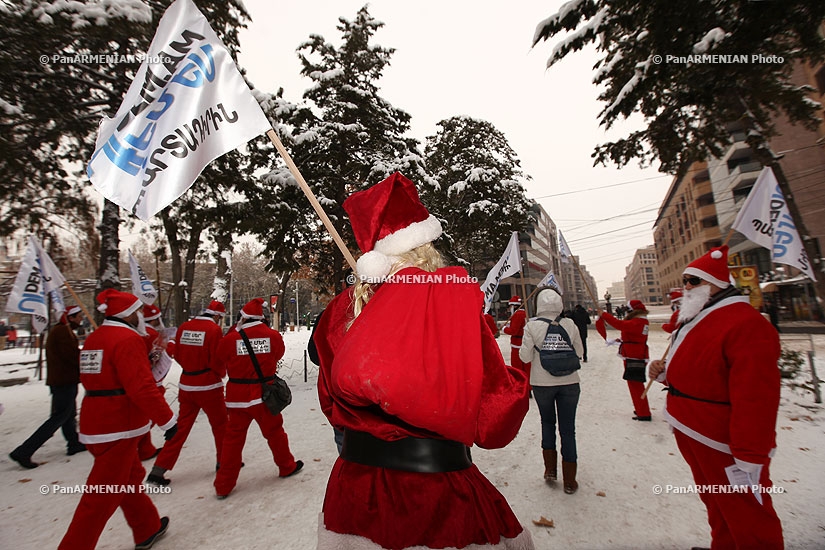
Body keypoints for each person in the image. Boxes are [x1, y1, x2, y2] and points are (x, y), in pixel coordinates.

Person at [313, 172, 534, 549]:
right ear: (426, 244)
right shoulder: (457, 309)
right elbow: (494, 424)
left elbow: (330, 400)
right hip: (437, 494)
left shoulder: (339, 312)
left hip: (356, 489)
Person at [648, 245, 783, 549]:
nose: (686, 287)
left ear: (715, 283)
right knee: (717, 503)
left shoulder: (745, 322)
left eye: (693, 281)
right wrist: (665, 373)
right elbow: (704, 370)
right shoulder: (700, 316)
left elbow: (757, 396)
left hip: (723, 440)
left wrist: (750, 453)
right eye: (686, 281)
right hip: (694, 429)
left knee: (750, 518)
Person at [58, 290, 176, 550]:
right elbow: (141, 387)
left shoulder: (95, 338)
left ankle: (147, 526)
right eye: (138, 312)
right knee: (99, 498)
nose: (141, 316)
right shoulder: (126, 339)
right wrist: (168, 422)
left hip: (95, 420)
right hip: (119, 425)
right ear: (128, 313)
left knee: (130, 477)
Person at [214, 298, 302, 499]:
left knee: (232, 441)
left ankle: (223, 484)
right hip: (264, 395)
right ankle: (286, 466)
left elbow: (221, 356)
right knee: (275, 433)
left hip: (236, 397)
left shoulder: (230, 339)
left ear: (242, 318)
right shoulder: (272, 336)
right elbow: (278, 355)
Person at [148, 300, 228, 486]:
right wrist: (220, 374)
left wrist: (190, 368)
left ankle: (159, 468)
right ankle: (224, 462)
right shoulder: (213, 331)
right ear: (217, 316)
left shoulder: (185, 327)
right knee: (221, 426)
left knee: (181, 428)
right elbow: (217, 359)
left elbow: (177, 352)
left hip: (186, 384)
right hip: (209, 386)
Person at [520, 287, 583, 494]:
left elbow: (525, 358)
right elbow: (580, 352)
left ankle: (550, 470)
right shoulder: (570, 324)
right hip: (570, 382)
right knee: (568, 429)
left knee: (547, 423)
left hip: (542, 383)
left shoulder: (532, 326)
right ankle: (570, 480)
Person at [9, 306, 86, 469]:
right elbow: (71, 356)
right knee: (59, 417)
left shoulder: (64, 331)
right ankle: (25, 451)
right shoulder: (62, 332)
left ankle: (74, 443)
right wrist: (86, 358)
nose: (81, 319)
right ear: (70, 317)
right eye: (79, 316)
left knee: (68, 414)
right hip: (63, 381)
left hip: (63, 380)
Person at [597, 299, 651, 421]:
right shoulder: (640, 320)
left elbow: (619, 325)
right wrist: (621, 340)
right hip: (635, 353)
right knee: (634, 383)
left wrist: (604, 315)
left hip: (634, 355)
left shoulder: (638, 321)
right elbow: (633, 334)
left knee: (635, 384)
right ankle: (641, 408)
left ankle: (643, 412)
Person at [503, 296, 529, 371]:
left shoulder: (517, 314)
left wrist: (504, 329)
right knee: (526, 366)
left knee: (517, 367)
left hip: (517, 344)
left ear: (513, 306)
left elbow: (513, 331)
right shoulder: (524, 313)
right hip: (524, 342)